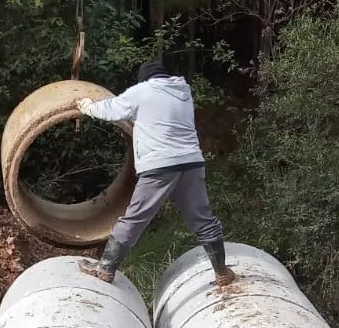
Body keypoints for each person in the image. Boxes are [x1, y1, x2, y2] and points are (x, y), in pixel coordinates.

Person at [75, 60, 237, 287]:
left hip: (160, 166)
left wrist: (87, 107)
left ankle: (106, 268)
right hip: (191, 163)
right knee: (203, 218)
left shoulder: (142, 91)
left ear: (145, 78)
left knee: (135, 217)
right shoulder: (183, 92)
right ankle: (221, 271)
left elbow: (111, 109)